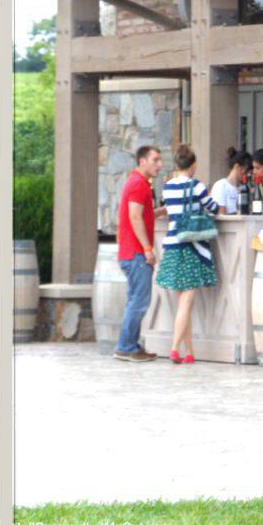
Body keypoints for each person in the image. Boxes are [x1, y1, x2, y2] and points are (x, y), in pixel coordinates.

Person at [156, 145, 221, 364]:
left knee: (183, 303)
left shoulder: (168, 187)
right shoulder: (197, 186)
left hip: (173, 246)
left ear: (176, 164)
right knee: (186, 302)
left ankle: (190, 352)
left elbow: (170, 210)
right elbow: (213, 208)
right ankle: (174, 349)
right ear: (193, 165)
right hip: (191, 246)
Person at [115, 145, 167, 362]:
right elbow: (135, 218)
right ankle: (126, 347)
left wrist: (163, 210)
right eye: (155, 160)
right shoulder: (138, 184)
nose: (160, 164)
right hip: (135, 253)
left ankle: (131, 346)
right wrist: (147, 248)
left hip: (131, 252)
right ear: (142, 161)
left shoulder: (139, 183)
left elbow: (142, 215)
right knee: (139, 302)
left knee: (135, 300)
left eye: (159, 160)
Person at [211, 147, 252, 214]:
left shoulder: (244, 188)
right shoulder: (221, 186)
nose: (248, 175)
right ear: (237, 167)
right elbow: (220, 214)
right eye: (246, 171)